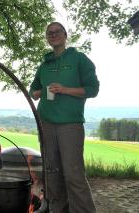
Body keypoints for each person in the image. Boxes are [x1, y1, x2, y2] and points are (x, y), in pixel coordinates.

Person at [29, 22, 99, 213]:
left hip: (70, 123)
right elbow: (33, 89)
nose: (53, 35)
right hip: (46, 123)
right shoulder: (44, 65)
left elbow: (93, 90)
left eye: (57, 31)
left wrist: (65, 90)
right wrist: (38, 92)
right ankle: (56, 209)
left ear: (65, 35)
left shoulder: (79, 59)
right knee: (51, 172)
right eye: (49, 33)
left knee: (73, 174)